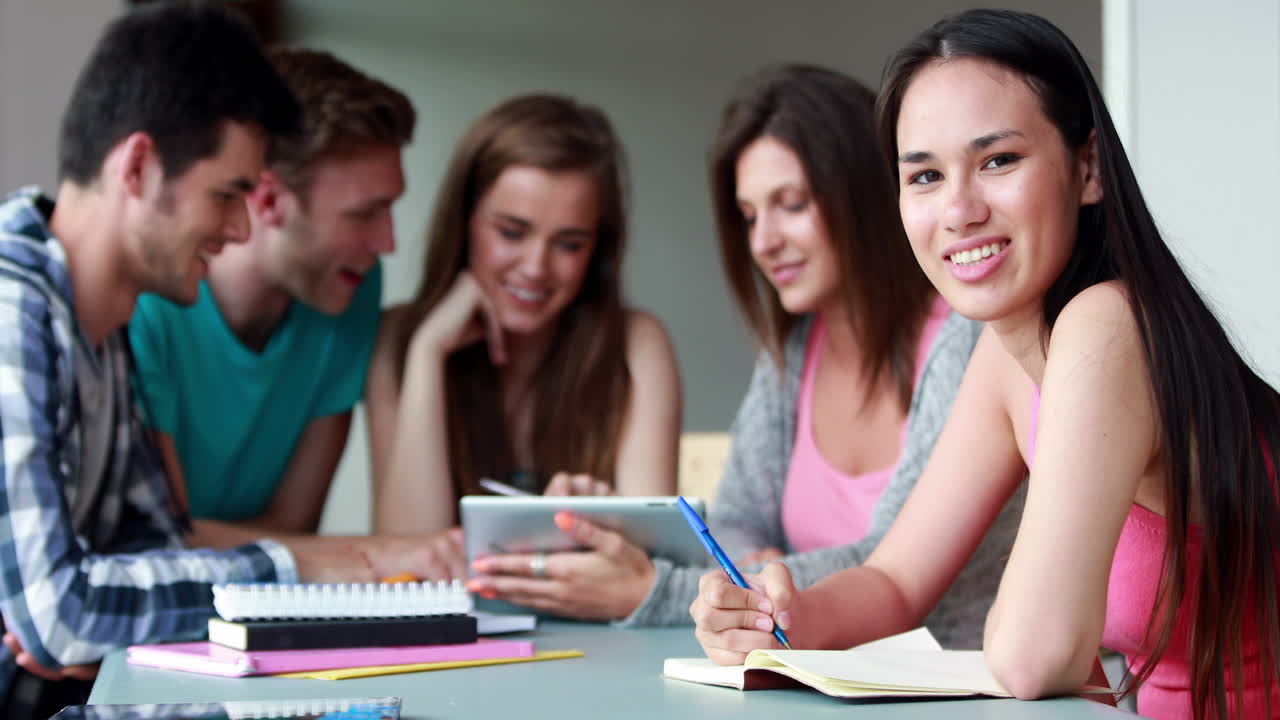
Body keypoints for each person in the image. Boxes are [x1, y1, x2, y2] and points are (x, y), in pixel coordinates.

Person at [690, 9, 1280, 720]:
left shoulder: (1109, 326)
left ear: (1087, 168)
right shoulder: (1007, 353)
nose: (959, 210)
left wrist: (1032, 633)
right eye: (926, 176)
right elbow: (895, 582)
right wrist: (777, 616)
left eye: (998, 160)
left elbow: (1037, 655)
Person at [0, 5, 454, 716]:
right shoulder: (10, 314)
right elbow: (59, 617)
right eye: (227, 195)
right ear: (140, 168)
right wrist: (297, 563)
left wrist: (99, 599)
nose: (242, 226)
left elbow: (146, 549)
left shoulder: (102, 324)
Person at [462, 65, 1022, 636]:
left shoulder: (967, 338)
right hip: (814, 681)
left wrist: (666, 590)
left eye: (792, 204)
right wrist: (752, 571)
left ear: (866, 194)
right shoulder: (796, 349)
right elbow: (732, 522)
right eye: (749, 216)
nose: (763, 241)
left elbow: (888, 563)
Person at [367, 94, 682, 558]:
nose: (536, 267)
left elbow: (654, 565)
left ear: (598, 251)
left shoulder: (637, 345)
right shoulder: (398, 339)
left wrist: (609, 521)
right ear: (464, 223)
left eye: (569, 244)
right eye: (511, 233)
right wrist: (429, 351)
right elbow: (406, 554)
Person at [129, 47, 414, 549]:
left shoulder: (349, 286)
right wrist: (365, 554)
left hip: (268, 601)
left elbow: (296, 521)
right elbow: (167, 537)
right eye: (365, 214)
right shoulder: (148, 305)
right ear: (266, 199)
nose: (386, 243)